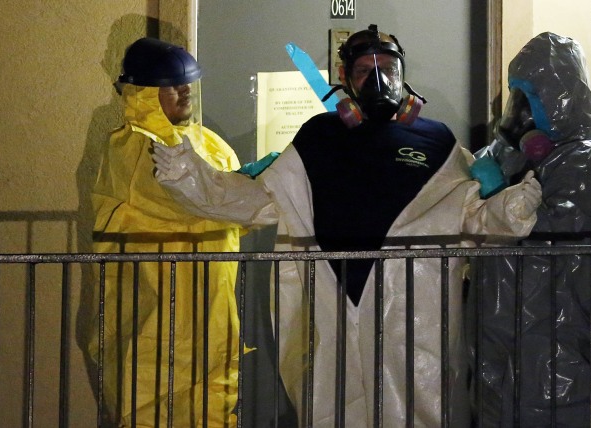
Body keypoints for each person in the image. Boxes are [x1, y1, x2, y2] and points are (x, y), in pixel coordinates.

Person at [151, 24, 542, 427]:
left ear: (403, 72)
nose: (379, 80)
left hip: (415, 305)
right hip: (332, 298)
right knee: (334, 402)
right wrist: (188, 176)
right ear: (344, 78)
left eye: (388, 68)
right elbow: (261, 199)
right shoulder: (318, 138)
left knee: (419, 404)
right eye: (364, 71)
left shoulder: (437, 141)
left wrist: (512, 208)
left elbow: (472, 217)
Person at [468, 32, 591, 426]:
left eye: (529, 99)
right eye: (517, 97)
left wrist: (497, 196)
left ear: (559, 99)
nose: (519, 112)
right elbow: (487, 168)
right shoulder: (521, 152)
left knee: (556, 403)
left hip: (559, 316)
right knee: (500, 403)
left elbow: (551, 229)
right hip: (505, 319)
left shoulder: (588, 159)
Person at [87, 37, 247, 427]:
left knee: (212, 397)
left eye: (186, 82)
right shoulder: (133, 149)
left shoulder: (210, 144)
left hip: (212, 303)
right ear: (142, 94)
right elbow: (197, 201)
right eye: (171, 85)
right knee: (148, 396)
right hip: (155, 305)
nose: (184, 90)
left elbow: (230, 204)